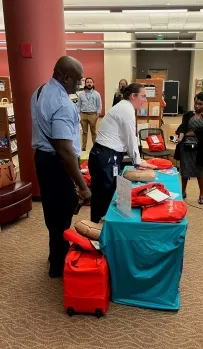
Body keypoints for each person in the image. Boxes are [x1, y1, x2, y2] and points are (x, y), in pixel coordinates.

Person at [31, 56, 91, 278]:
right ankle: (58, 265)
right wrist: (83, 186)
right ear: (65, 77)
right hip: (58, 163)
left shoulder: (38, 92)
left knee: (52, 209)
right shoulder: (63, 104)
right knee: (64, 211)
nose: (80, 84)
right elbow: (65, 150)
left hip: (43, 159)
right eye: (77, 80)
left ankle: (53, 254)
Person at [88, 83, 156, 223]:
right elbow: (131, 137)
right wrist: (137, 161)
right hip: (105, 156)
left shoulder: (124, 107)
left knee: (104, 193)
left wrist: (136, 159)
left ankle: (98, 225)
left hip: (104, 155)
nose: (145, 100)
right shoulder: (126, 109)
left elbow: (129, 137)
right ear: (133, 96)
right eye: (143, 96)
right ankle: (98, 228)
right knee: (104, 194)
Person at [174, 92, 203, 204]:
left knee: (199, 171)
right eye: (196, 103)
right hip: (185, 146)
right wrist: (181, 137)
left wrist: (189, 133)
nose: (197, 106)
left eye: (200, 104)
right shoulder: (188, 114)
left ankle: (201, 194)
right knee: (184, 170)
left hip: (199, 147)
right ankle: (183, 192)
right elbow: (183, 127)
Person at [77, 77, 102, 150]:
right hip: (83, 114)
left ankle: (95, 147)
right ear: (85, 83)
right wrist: (79, 114)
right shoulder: (81, 94)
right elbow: (78, 105)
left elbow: (99, 105)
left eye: (90, 82)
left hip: (92, 115)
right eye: (87, 82)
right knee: (84, 132)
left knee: (93, 132)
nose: (89, 83)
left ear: (93, 83)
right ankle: (83, 147)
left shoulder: (96, 94)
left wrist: (97, 115)